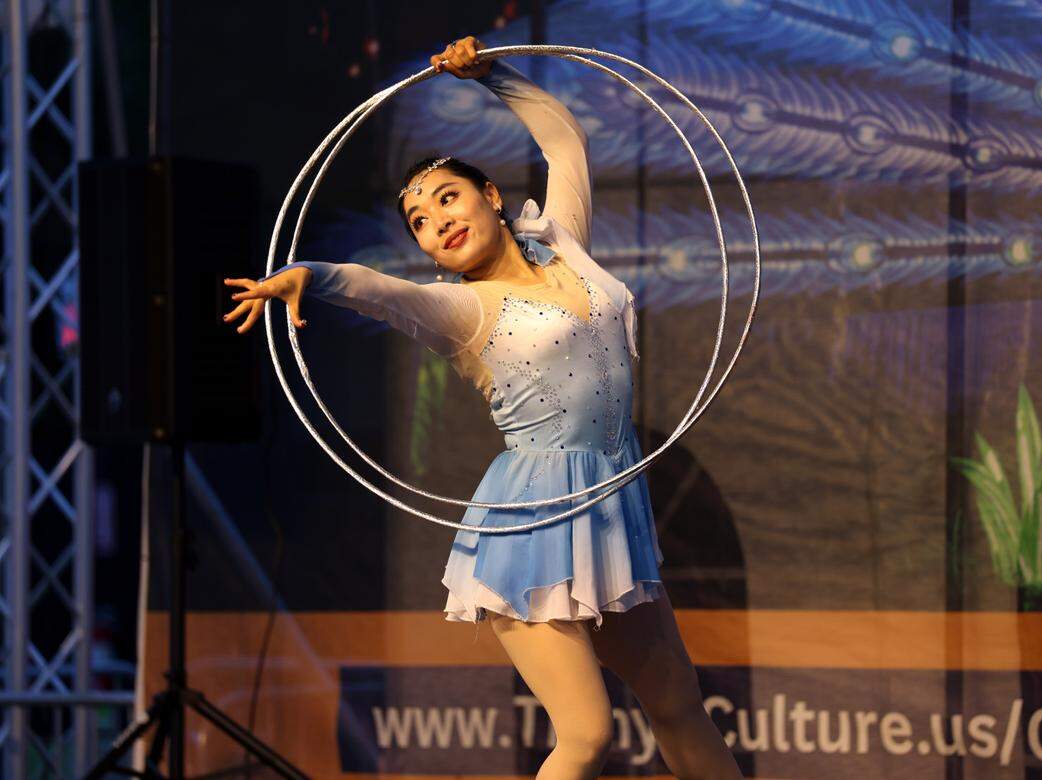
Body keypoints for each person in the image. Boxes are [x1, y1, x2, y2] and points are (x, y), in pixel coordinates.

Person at [224, 36, 742, 780]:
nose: (438, 221)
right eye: (420, 223)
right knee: (587, 735)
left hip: (608, 505)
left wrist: (490, 74)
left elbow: (563, 142)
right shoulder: (461, 311)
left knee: (678, 704)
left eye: (447, 198)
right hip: (532, 523)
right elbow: (378, 289)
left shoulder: (567, 248)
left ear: (491, 196)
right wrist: (311, 273)